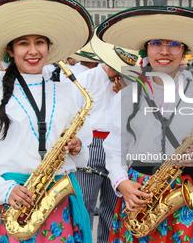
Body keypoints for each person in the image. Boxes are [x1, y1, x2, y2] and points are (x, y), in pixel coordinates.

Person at [0, 0, 93, 243]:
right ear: (10, 49)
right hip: (12, 202)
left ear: (48, 47)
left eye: (39, 42)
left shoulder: (65, 90)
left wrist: (78, 146)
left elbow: (83, 142)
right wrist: (3, 191)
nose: (33, 51)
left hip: (57, 200)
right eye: (23, 43)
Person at [97, 6, 193, 242]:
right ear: (147, 50)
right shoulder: (125, 96)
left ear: (184, 51)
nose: (165, 51)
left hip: (191, 192)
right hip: (140, 194)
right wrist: (121, 182)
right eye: (156, 43)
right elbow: (114, 149)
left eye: (174, 44)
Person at [73, 31, 139, 243]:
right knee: (84, 207)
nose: (119, 73)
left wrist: (127, 91)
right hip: (90, 144)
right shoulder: (85, 78)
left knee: (113, 209)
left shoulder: (132, 83)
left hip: (119, 148)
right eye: (115, 67)